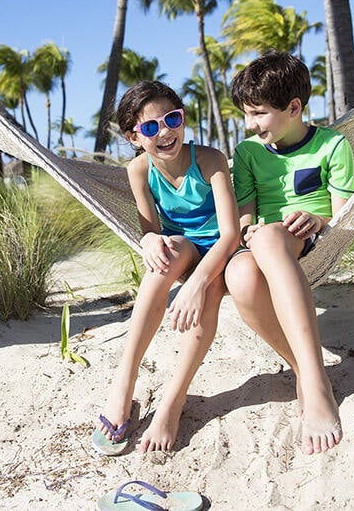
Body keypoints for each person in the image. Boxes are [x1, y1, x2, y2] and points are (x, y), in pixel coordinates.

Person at [92, 80, 240, 455]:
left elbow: (230, 234)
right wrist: (148, 240)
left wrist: (195, 284)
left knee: (206, 294)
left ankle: (172, 403)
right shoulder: (139, 170)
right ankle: (123, 383)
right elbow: (149, 229)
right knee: (159, 263)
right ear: (133, 136)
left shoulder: (209, 159)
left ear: (183, 118)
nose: (165, 132)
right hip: (185, 246)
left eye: (172, 119)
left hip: (221, 249)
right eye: (150, 127)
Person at [225, 50, 354, 455]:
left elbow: (344, 215)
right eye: (247, 114)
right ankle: (304, 369)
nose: (251, 124)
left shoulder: (333, 145)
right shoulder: (248, 154)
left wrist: (318, 223)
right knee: (240, 276)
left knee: (268, 240)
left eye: (259, 113)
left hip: (311, 238)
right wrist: (250, 232)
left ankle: (315, 384)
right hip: (265, 242)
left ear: (294, 107)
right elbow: (245, 216)